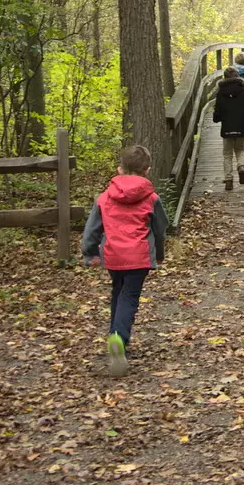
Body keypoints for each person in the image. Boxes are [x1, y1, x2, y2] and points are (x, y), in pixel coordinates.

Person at [80, 144, 168, 377]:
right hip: (138, 257)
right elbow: (160, 230)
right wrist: (159, 253)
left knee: (118, 292)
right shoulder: (152, 198)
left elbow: (92, 230)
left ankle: (116, 341)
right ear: (147, 170)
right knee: (129, 296)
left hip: (113, 255)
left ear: (120, 169)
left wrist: (90, 253)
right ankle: (119, 337)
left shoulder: (104, 198)